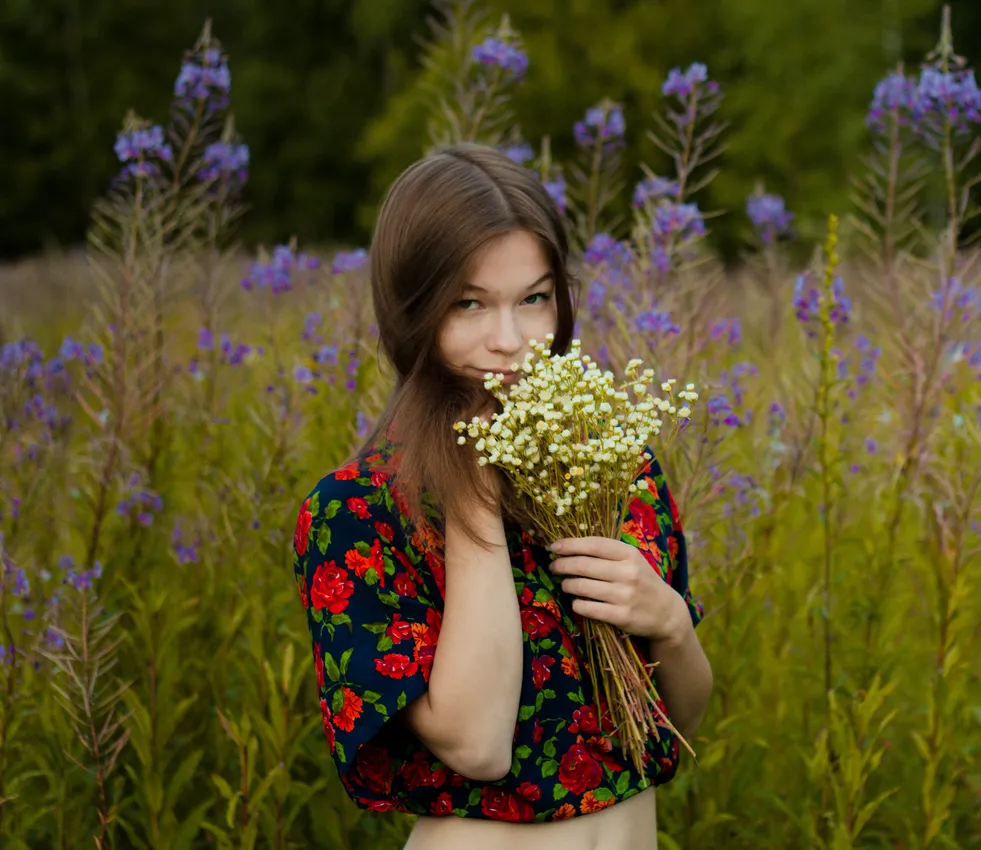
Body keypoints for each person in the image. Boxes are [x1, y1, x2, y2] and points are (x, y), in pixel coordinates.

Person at [290, 145, 712, 850]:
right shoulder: (358, 514)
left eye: (534, 299)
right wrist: (474, 492)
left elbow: (683, 721)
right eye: (469, 304)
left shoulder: (611, 474)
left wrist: (668, 620)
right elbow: (477, 745)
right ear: (411, 309)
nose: (511, 342)